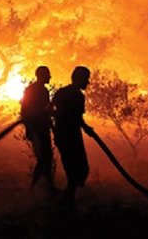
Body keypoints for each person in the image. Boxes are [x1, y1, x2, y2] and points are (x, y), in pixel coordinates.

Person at [52, 66, 93, 208]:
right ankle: (66, 202)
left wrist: (55, 127)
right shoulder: (78, 96)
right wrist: (86, 128)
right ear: (79, 79)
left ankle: (67, 200)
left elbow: (50, 109)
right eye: (86, 79)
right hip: (70, 136)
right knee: (78, 169)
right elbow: (77, 118)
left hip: (63, 135)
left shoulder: (61, 92)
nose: (88, 83)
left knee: (75, 169)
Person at [20, 66, 56, 191]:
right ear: (41, 75)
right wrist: (30, 129)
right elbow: (25, 111)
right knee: (43, 158)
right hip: (37, 129)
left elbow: (46, 111)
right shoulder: (32, 90)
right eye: (48, 75)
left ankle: (49, 186)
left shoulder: (43, 91)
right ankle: (34, 187)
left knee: (47, 157)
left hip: (43, 128)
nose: (50, 77)